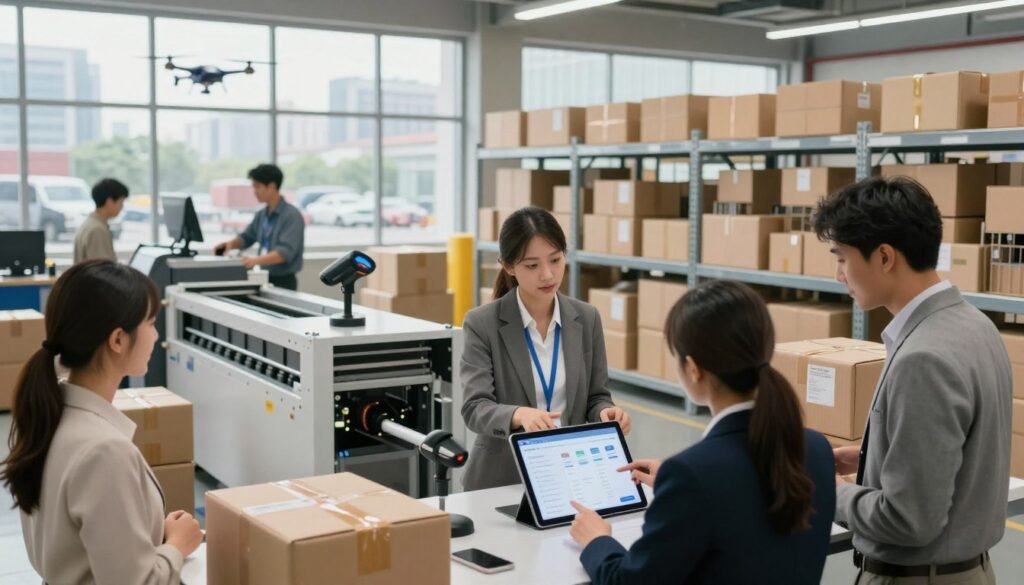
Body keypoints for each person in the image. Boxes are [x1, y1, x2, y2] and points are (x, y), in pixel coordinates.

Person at [812, 176, 1012, 585]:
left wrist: (823, 490)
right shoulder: (974, 325)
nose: (838, 275)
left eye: (842, 258)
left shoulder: (923, 357)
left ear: (884, 257)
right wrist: (871, 455)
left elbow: (907, 520)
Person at [570, 280, 836, 585]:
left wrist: (596, 541)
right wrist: (676, 490)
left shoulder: (692, 475)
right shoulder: (815, 448)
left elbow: (630, 581)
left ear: (693, 369)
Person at [1, 260, 203, 583]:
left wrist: (143, 532)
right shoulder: (104, 451)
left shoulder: (49, 415)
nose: (156, 334)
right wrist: (177, 545)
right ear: (118, 340)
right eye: (151, 322)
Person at [460, 206, 631, 491]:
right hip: (503, 478)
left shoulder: (586, 318)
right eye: (532, 265)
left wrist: (606, 413)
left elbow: (596, 396)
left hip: (571, 473)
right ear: (508, 266)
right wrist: (518, 415)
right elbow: (474, 408)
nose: (548, 274)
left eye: (555, 259)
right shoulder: (482, 323)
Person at [213, 163, 304, 290]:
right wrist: (229, 245)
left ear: (271, 186)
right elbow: (247, 237)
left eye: (257, 187)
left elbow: (284, 253)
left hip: (284, 281)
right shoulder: (262, 215)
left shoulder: (291, 216)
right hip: (264, 277)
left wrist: (255, 261)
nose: (254, 192)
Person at [73, 177, 127, 263]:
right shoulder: (97, 229)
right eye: (121, 202)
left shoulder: (89, 223)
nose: (122, 206)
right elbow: (103, 271)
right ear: (109, 202)